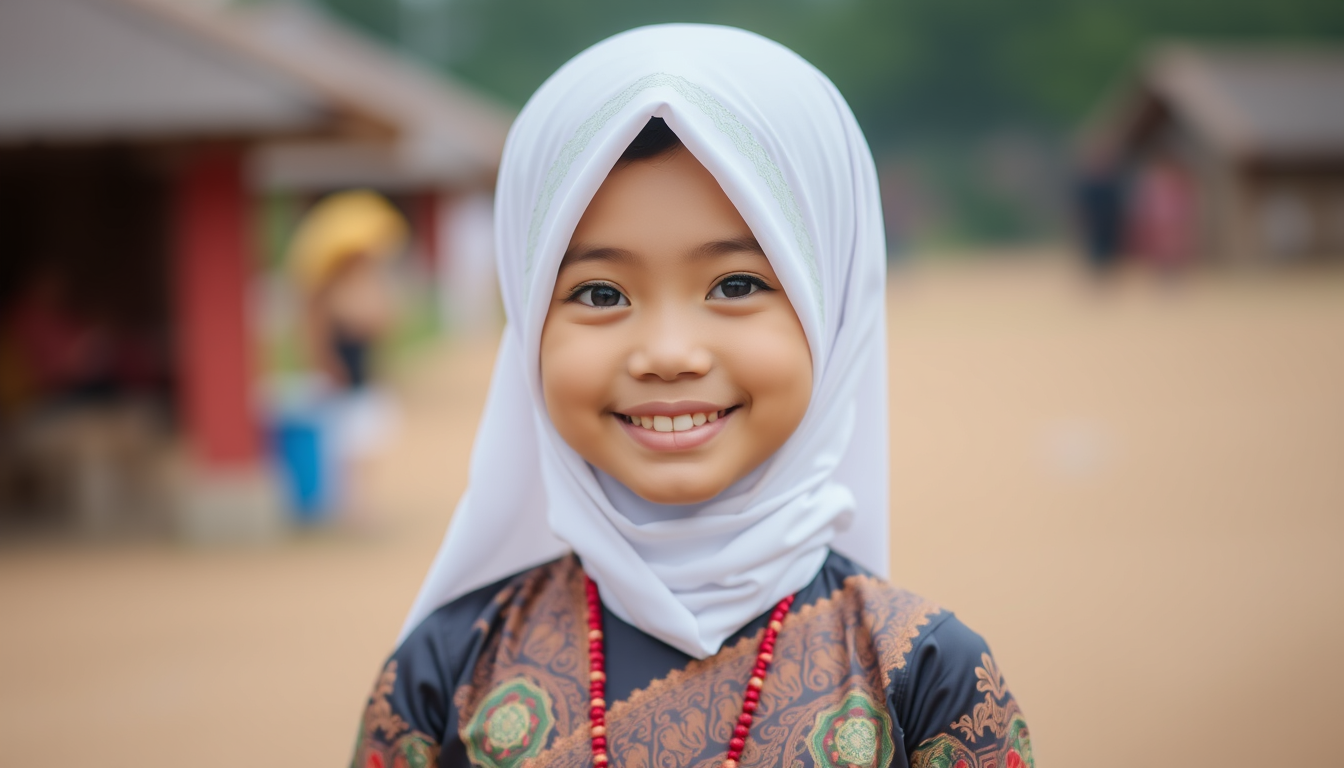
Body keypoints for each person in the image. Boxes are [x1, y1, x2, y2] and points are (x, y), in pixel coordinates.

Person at [351, 25, 1032, 768]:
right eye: (601, 292)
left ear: (831, 310)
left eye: (735, 285)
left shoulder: (924, 680)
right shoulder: (443, 675)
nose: (670, 354)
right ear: (528, 319)